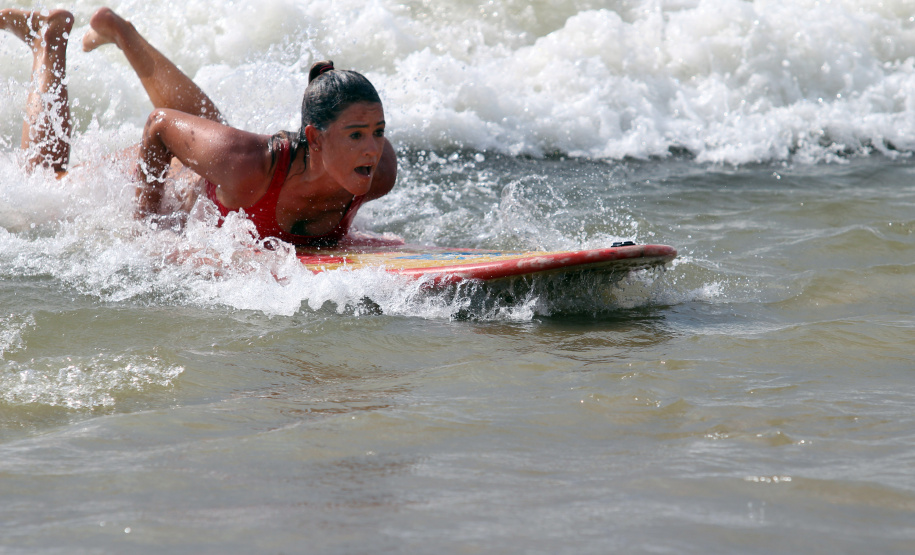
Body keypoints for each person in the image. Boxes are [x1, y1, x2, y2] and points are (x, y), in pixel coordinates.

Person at [0, 7, 397, 247]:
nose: (372, 147)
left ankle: (121, 32)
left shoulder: (378, 172)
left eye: (378, 131)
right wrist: (147, 228)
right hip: (169, 179)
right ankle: (48, 39)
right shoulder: (248, 167)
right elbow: (158, 126)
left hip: (225, 173)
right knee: (43, 182)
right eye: (356, 135)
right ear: (315, 138)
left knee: (214, 132)